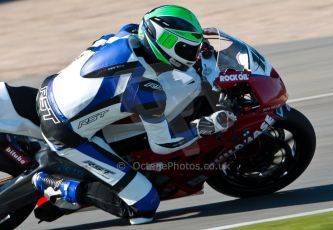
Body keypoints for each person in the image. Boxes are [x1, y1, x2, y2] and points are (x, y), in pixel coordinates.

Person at [33, 5, 236, 224]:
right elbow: (163, 144)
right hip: (66, 133)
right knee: (144, 207)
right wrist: (207, 125)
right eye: (188, 49)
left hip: (51, 89)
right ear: (166, 44)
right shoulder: (146, 90)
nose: (194, 54)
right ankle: (57, 185)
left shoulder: (130, 33)